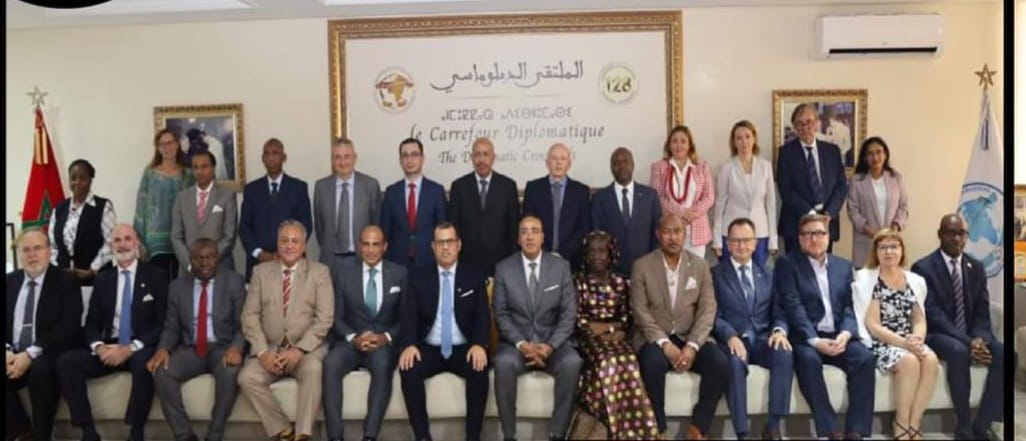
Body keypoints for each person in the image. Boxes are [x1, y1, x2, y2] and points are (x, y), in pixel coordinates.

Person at [58, 223, 169, 441]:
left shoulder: (157, 276)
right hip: (110, 345)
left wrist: (130, 348)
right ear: (111, 247)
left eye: (127, 239)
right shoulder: (103, 279)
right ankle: (88, 431)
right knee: (66, 362)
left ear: (136, 243)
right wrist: (99, 347)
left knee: (144, 364)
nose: (122, 244)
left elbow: (162, 322)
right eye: (117, 240)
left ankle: (136, 431)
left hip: (140, 345)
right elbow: (92, 322)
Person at [776, 213, 873, 440]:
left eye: (819, 233)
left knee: (865, 359)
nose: (814, 239)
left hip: (839, 335)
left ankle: (856, 430)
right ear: (800, 239)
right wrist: (815, 340)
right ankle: (829, 429)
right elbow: (793, 305)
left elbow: (850, 306)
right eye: (808, 234)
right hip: (807, 337)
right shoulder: (787, 264)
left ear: (828, 237)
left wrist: (846, 334)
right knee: (808, 360)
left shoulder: (843, 266)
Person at [238, 220, 334, 441]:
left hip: (306, 351)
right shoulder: (260, 272)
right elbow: (249, 315)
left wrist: (299, 349)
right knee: (246, 377)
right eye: (284, 241)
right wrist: (263, 352)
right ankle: (283, 430)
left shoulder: (319, 272)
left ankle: (303, 434)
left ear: (304, 245)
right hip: (271, 350)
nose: (289, 246)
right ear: (277, 244)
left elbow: (324, 319)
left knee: (313, 370)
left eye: (295, 241)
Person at [632, 214, 726, 440]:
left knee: (719, 363)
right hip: (655, 336)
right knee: (652, 364)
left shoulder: (701, 266)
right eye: (667, 232)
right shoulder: (642, 266)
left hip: (689, 335)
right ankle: (659, 429)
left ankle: (698, 429)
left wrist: (692, 346)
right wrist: (665, 344)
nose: (672, 238)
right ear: (658, 235)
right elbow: (640, 311)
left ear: (685, 235)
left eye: (677, 232)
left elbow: (707, 310)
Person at [911, 214, 1003, 439]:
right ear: (940, 235)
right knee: (958, 351)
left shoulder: (976, 267)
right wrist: (969, 342)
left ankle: (983, 423)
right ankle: (963, 425)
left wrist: (980, 339)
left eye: (962, 234)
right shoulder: (923, 267)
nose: (957, 239)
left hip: (971, 335)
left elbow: (982, 311)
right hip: (937, 334)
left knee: (1004, 353)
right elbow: (933, 314)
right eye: (951, 233)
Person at [492, 216, 582, 441]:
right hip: (517, 345)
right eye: (524, 231)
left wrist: (550, 346)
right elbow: (501, 314)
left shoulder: (561, 267)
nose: (529, 236)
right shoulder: (504, 268)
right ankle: (509, 435)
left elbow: (568, 314)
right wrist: (522, 344)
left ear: (543, 237)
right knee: (503, 363)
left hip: (553, 344)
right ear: (518, 239)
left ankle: (557, 434)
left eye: (534, 231)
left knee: (572, 362)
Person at [398, 222, 490, 441]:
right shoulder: (419, 276)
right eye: (440, 243)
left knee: (479, 368)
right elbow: (409, 314)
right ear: (433, 247)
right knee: (409, 368)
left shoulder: (474, 275)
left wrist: (479, 344)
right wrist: (409, 344)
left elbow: (482, 315)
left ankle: (473, 437)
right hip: (430, 347)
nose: (445, 247)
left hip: (463, 347)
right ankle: (423, 437)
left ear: (459, 245)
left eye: (450, 242)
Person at [148, 238, 246, 441]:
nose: (204, 262)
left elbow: (243, 324)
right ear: (190, 260)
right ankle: (184, 434)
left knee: (230, 372)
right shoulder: (177, 287)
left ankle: (214, 434)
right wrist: (163, 348)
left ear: (218, 258)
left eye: (209, 257)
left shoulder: (234, 282)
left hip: (222, 347)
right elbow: (171, 326)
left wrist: (236, 347)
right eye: (198, 258)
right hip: (191, 349)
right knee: (162, 372)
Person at [323, 226, 407, 441]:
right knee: (331, 363)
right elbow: (337, 318)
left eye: (375, 244)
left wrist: (385, 337)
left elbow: (406, 318)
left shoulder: (400, 274)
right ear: (359, 246)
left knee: (383, 364)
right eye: (366, 244)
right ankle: (335, 436)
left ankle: (369, 436)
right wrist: (354, 338)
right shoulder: (344, 273)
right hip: (350, 342)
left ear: (385, 247)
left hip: (382, 344)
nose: (370, 250)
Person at [573, 231, 659, 440]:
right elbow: (578, 319)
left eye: (602, 251)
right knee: (608, 362)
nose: (596, 256)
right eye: (592, 251)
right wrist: (605, 330)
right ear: (585, 255)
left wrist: (608, 329)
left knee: (629, 360)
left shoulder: (621, 282)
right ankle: (615, 430)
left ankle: (639, 430)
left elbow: (627, 317)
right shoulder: (578, 282)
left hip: (617, 338)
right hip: (588, 341)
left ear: (610, 254)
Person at [711, 217, 792, 440]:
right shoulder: (715, 274)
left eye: (747, 240)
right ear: (728, 244)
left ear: (755, 243)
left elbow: (779, 311)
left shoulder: (768, 273)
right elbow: (712, 315)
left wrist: (779, 330)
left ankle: (773, 426)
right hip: (734, 339)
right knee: (734, 362)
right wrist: (730, 336)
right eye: (736, 241)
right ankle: (742, 432)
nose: (742, 246)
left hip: (764, 339)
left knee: (784, 352)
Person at [852, 229, 936, 440]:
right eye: (883, 247)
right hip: (881, 342)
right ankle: (901, 422)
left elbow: (919, 319)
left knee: (931, 360)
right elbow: (873, 325)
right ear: (876, 252)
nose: (889, 252)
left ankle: (914, 422)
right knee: (909, 362)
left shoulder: (914, 280)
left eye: (894, 247)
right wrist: (904, 344)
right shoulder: (866, 279)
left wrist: (917, 338)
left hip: (909, 340)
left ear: (902, 250)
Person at [6, 228, 84, 441]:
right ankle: (21, 431)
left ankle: (41, 435)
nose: (32, 255)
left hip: (49, 351)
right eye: (26, 250)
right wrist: (7, 351)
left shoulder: (66, 281)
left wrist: (29, 354)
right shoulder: (9, 281)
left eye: (37, 248)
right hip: (13, 352)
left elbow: (69, 327)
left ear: (49, 252)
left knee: (40, 371)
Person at [776, 104, 848, 254]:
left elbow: (841, 185)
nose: (805, 127)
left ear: (817, 123)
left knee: (823, 267)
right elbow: (785, 189)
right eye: (799, 123)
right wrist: (811, 214)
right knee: (796, 267)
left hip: (826, 223)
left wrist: (829, 213)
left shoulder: (832, 151)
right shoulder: (786, 153)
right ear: (795, 127)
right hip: (796, 224)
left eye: (809, 122)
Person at [239, 138, 313, 281]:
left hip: (292, 261)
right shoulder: (251, 189)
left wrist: (287, 252)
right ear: (262, 158)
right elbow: (244, 227)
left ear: (284, 157)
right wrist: (259, 253)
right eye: (267, 154)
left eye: (275, 153)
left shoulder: (298, 187)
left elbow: (305, 225)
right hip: (259, 262)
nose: (271, 158)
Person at [447, 137, 520, 276]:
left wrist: (515, 261)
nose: (481, 160)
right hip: (467, 262)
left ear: (493, 157)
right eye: (477, 154)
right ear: (471, 158)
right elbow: (454, 226)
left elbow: (513, 228)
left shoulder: (508, 186)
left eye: (486, 154)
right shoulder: (459, 187)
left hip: (501, 262)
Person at [711, 121, 778, 266]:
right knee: (731, 274)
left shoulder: (765, 167)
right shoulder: (726, 168)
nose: (744, 142)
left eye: (747, 136)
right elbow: (720, 204)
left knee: (758, 273)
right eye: (739, 138)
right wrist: (717, 239)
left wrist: (773, 239)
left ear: (754, 138)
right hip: (732, 233)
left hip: (759, 233)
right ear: (734, 142)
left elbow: (771, 205)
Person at [590, 147, 661, 277]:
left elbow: (657, 234)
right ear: (611, 168)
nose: (621, 166)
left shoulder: (650, 196)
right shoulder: (599, 198)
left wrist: (652, 265)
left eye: (625, 161)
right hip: (612, 274)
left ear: (632, 165)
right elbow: (597, 237)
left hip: (645, 271)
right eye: (616, 163)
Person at [313, 137, 381, 273]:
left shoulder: (370, 185)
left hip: (361, 259)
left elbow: (376, 223)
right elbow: (320, 227)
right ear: (332, 160)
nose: (342, 162)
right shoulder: (321, 187)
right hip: (330, 261)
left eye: (347, 156)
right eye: (337, 157)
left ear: (355, 158)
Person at [135, 128, 195, 277]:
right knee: (157, 283)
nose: (167, 147)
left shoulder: (188, 175)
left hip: (181, 239)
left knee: (180, 284)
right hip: (155, 242)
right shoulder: (149, 174)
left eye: (170, 143)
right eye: (163, 144)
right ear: (158, 148)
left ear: (177, 144)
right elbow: (141, 208)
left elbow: (193, 208)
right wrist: (140, 242)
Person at [380, 138, 447, 268]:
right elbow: (385, 231)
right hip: (397, 262)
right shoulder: (391, 192)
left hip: (429, 261)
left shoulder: (436, 191)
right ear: (400, 160)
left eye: (414, 155)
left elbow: (442, 228)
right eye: (405, 155)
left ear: (422, 158)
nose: (409, 160)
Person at [649, 125, 715, 259]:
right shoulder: (659, 167)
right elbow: (656, 197)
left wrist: (691, 214)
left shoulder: (701, 166)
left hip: (696, 230)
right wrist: (681, 212)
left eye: (683, 141)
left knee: (695, 269)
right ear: (669, 145)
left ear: (690, 145)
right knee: (672, 269)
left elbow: (709, 197)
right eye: (674, 141)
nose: (679, 145)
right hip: (670, 230)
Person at [49, 159, 117, 287]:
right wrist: (58, 269)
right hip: (64, 280)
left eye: (83, 178)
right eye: (73, 178)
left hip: (96, 279)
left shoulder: (103, 206)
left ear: (90, 180)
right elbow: (52, 245)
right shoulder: (59, 209)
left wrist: (92, 270)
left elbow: (111, 242)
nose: (77, 182)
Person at [522, 143, 591, 266]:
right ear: (547, 163)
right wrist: (544, 254)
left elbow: (583, 228)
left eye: (563, 159)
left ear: (569, 164)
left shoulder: (581, 191)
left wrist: (562, 254)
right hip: (539, 259)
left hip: (571, 261)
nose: (558, 163)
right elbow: (528, 225)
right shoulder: (533, 188)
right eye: (554, 158)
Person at [846, 137, 910, 268]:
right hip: (866, 243)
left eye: (878, 152)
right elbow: (853, 211)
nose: (875, 157)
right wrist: (873, 233)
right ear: (865, 158)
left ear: (885, 155)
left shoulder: (896, 178)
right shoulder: (856, 181)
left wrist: (892, 231)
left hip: (891, 243)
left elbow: (903, 206)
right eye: (870, 153)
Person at [171, 151, 237, 275]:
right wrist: (190, 264)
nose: (199, 171)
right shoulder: (181, 197)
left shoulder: (227, 196)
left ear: (213, 169)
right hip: (189, 270)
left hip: (220, 267)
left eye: (204, 166)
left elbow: (229, 235)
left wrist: (210, 260)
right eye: (195, 168)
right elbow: (176, 236)